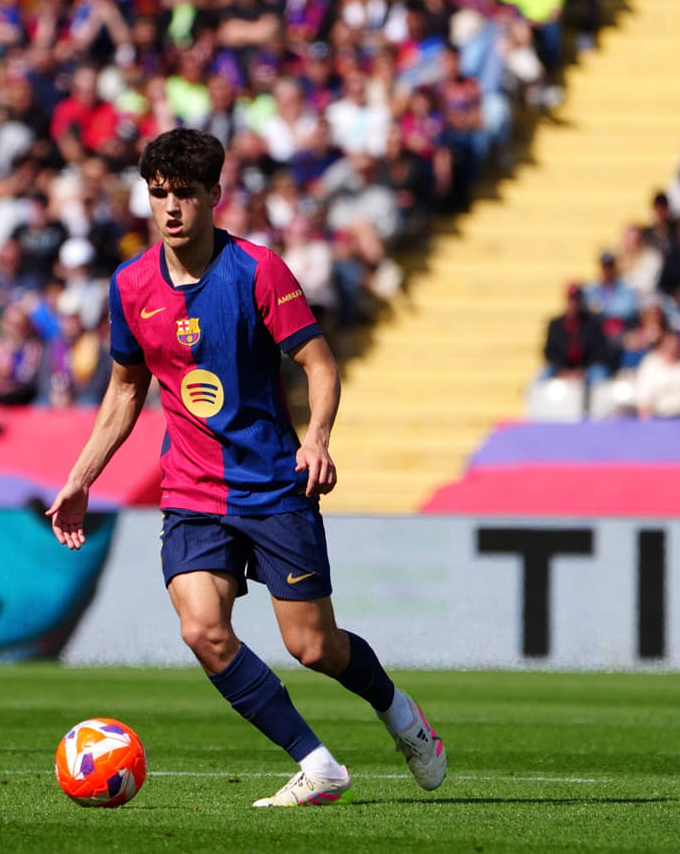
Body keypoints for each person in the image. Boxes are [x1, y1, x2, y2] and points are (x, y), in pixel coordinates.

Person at [46, 129, 445, 808]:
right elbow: (123, 390)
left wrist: (316, 438)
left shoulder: (258, 271)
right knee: (201, 627)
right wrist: (81, 477)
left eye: (185, 194)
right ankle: (317, 762)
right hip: (191, 490)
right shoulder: (131, 285)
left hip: (271, 486)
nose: (171, 208)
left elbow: (319, 363)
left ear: (214, 197)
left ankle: (400, 712)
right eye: (159, 193)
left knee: (313, 646)